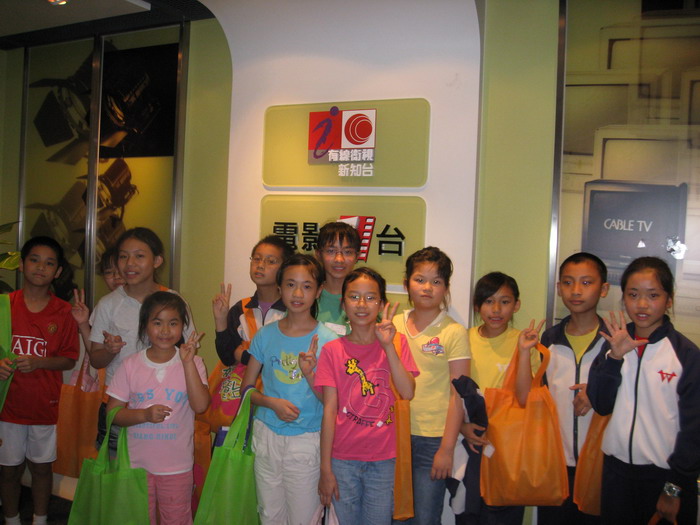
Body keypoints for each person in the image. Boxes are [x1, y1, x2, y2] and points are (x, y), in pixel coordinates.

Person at [588, 256, 700, 525]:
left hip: (665, 478)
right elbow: (601, 404)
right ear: (623, 298)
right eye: (633, 294)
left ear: (669, 300)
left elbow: (694, 431)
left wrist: (674, 487)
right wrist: (615, 359)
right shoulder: (613, 343)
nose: (641, 304)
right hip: (616, 474)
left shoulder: (685, 355)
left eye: (653, 295)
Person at [316, 267, 419, 525]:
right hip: (342, 459)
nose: (362, 304)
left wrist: (387, 347)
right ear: (343, 304)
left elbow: (407, 392)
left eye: (371, 297)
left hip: (384, 459)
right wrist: (325, 468)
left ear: (382, 305)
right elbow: (329, 409)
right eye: (354, 297)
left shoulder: (397, 343)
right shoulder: (332, 350)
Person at [241, 254, 338, 525]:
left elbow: (331, 402)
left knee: (304, 518)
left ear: (318, 291)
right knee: (269, 515)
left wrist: (309, 374)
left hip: (307, 440)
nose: (297, 293)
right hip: (266, 436)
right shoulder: (265, 335)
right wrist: (270, 402)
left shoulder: (328, 341)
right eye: (290, 284)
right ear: (280, 288)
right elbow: (246, 389)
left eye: (307, 286)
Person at [514, 252, 608, 524]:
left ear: (603, 289)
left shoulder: (615, 341)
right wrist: (524, 353)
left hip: (602, 466)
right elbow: (529, 397)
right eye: (568, 282)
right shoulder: (549, 339)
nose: (576, 290)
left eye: (586, 282)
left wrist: (596, 391)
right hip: (556, 464)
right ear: (558, 288)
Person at [89, 227, 196, 452]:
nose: (130, 263)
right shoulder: (108, 304)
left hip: (165, 404)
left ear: (157, 261)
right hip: (120, 404)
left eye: (139, 256)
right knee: (115, 469)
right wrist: (109, 350)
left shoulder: (174, 301)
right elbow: (95, 360)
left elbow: (188, 351)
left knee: (161, 467)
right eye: (123, 256)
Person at [106, 291, 209, 525]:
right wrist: (143, 415)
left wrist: (187, 363)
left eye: (173, 323)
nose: (165, 330)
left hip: (177, 466)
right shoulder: (130, 364)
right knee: (139, 519)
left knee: (177, 519)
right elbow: (113, 413)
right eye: (157, 322)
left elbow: (200, 405)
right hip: (136, 465)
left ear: (183, 326)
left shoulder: (195, 362)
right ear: (145, 326)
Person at [0, 236, 79, 525]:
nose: (40, 267)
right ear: (21, 264)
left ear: (58, 271)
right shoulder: (3, 306)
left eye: (49, 263)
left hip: (44, 406)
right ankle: (11, 520)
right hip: (7, 406)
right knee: (8, 470)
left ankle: (41, 519)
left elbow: (69, 359)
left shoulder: (64, 312)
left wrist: (39, 362)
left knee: (42, 469)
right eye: (34, 260)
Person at [392, 247, 470, 525]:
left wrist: (446, 448)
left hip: (433, 439)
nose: (427, 287)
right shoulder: (393, 324)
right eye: (420, 279)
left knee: (425, 517)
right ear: (406, 284)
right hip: (393, 434)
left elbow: (458, 394)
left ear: (446, 288)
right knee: (394, 515)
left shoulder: (454, 331)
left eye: (436, 281)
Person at [459, 271, 537, 525]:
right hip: (470, 443)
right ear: (477, 306)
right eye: (488, 301)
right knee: (468, 513)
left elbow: (525, 397)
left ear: (516, 305)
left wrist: (523, 353)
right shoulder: (464, 339)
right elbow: (450, 391)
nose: (496, 309)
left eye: (504, 301)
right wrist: (462, 427)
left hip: (509, 448)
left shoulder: (524, 342)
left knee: (502, 514)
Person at [213, 235, 293, 371]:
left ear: (285, 268)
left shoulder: (291, 310)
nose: (260, 265)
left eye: (271, 261)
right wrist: (220, 321)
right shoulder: (240, 309)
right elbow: (227, 358)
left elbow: (287, 360)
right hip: (244, 383)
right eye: (257, 259)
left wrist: (243, 356)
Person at [71, 246, 125, 360]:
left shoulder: (152, 301)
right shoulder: (105, 305)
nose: (116, 276)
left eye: (120, 270)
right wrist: (83, 323)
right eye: (109, 272)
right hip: (113, 371)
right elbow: (94, 354)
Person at [315, 221, 361, 336]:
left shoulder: (366, 299)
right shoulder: (307, 295)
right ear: (318, 254)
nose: (339, 259)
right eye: (331, 251)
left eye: (347, 252)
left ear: (357, 256)